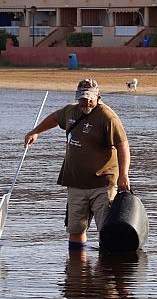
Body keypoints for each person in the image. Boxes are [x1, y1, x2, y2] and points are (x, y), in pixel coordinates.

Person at [24, 79, 131, 249]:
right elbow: (55, 118)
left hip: (102, 184)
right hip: (76, 184)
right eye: (82, 98)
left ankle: (107, 269)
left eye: (90, 98)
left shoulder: (108, 117)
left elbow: (122, 145)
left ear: (98, 96)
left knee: (106, 229)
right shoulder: (71, 111)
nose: (86, 102)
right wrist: (35, 132)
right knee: (75, 229)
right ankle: (77, 271)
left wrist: (123, 175)